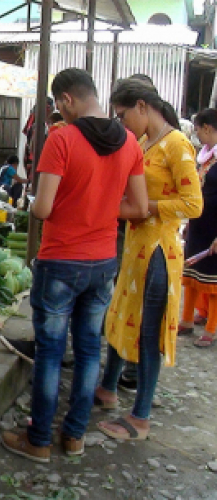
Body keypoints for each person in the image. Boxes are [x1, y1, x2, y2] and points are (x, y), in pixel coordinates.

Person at [0, 68, 149, 462]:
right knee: (87, 350)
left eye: (58, 106)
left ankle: (39, 441)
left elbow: (44, 208)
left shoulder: (62, 138)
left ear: (66, 100)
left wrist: (42, 202)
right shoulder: (131, 142)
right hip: (103, 262)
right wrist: (100, 208)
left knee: (50, 352)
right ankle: (75, 435)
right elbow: (139, 207)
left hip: (61, 260)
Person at [93, 79, 203, 443]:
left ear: (142, 106)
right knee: (121, 317)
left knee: (149, 332)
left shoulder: (177, 145)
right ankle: (108, 388)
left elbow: (193, 204)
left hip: (159, 251)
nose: (122, 123)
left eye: (124, 115)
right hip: (135, 248)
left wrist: (147, 208)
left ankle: (140, 416)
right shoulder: (143, 143)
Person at [180, 108, 217, 347]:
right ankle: (188, 319)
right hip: (198, 223)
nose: (196, 136)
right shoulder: (203, 156)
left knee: (213, 281)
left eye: (198, 130)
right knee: (192, 273)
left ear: (208, 128)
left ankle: (211, 328)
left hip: (214, 226)